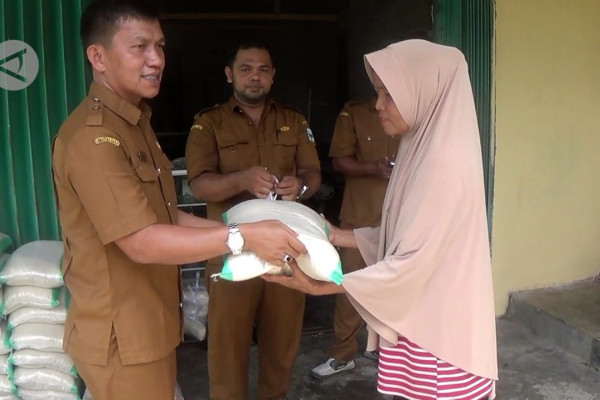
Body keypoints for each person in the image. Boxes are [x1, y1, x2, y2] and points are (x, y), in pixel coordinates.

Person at [51, 3, 306, 400]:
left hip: (150, 323)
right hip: (123, 336)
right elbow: (141, 240)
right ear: (98, 57)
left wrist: (247, 233)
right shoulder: (94, 139)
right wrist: (241, 238)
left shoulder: (135, 125)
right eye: (140, 47)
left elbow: (167, 216)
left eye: (160, 46)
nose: (156, 59)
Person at [263, 39, 498, 400]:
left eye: (390, 94)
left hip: (439, 338)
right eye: (378, 92)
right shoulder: (421, 149)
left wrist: (319, 287)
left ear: (423, 94)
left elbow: (411, 263)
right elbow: (406, 236)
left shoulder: (442, 167)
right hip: (422, 321)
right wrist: (335, 235)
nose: (378, 105)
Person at [185, 43, 321, 400]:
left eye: (263, 69)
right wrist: (241, 180)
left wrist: (300, 185)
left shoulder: (293, 121)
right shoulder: (209, 123)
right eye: (246, 69)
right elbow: (199, 183)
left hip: (285, 251)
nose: (255, 76)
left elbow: (313, 173)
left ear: (273, 76)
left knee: (282, 345)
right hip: (232, 251)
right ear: (230, 75)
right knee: (227, 350)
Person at [311, 98, 399, 379]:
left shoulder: (415, 112)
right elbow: (339, 160)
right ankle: (342, 354)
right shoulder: (355, 112)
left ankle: (386, 350)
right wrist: (372, 168)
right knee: (349, 285)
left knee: (396, 287)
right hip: (360, 215)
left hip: (402, 218)